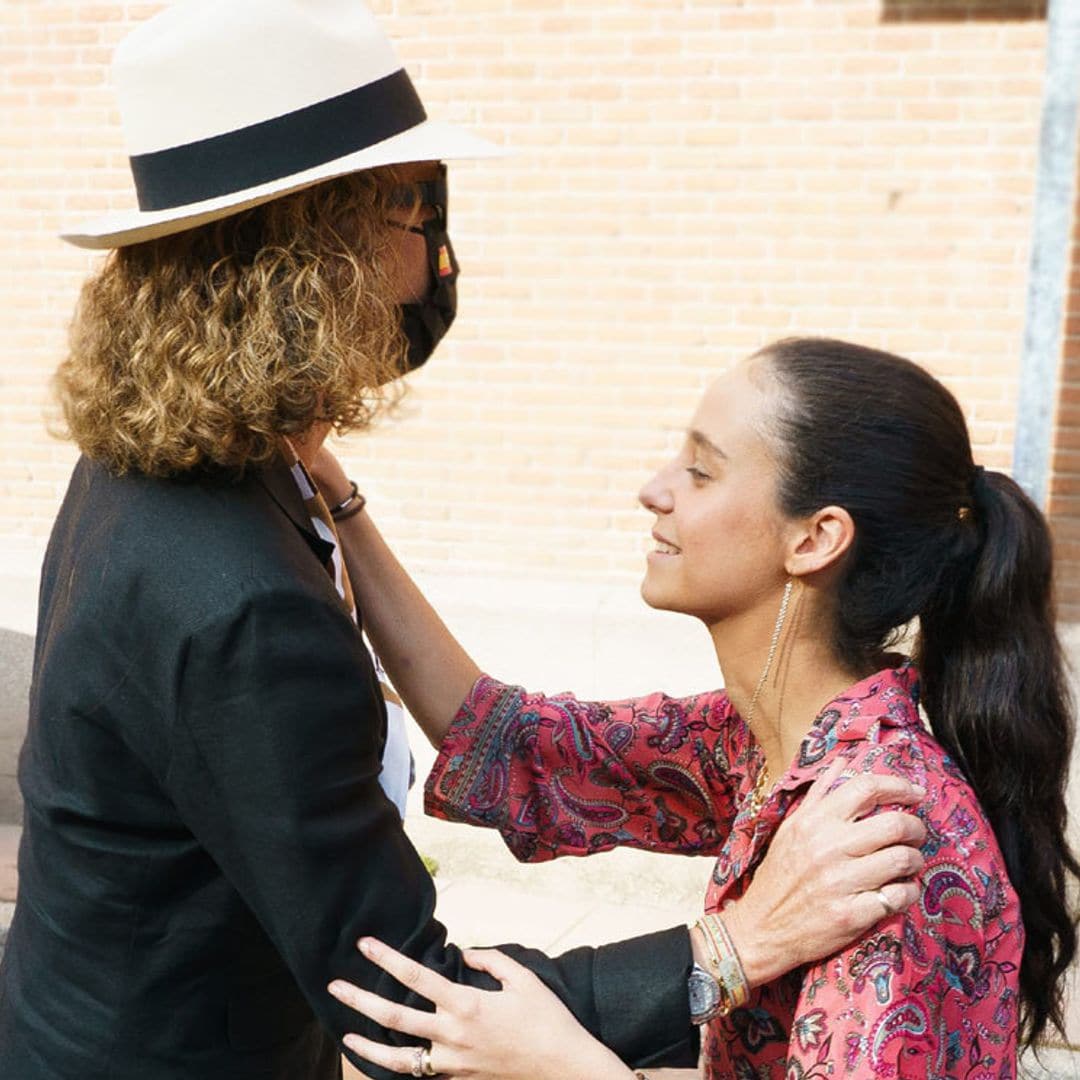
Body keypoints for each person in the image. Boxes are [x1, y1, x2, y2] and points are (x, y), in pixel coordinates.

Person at [0, 4, 930, 1079]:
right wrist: (735, 946)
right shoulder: (241, 598)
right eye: (415, 211)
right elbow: (402, 1002)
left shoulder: (169, 471)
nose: (434, 254)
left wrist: (341, 506)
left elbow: (521, 747)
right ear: (327, 258)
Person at [318, 338, 1079, 1078]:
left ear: (815, 539)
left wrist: (555, 1064)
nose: (654, 489)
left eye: (700, 470)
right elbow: (516, 747)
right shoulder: (767, 741)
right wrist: (333, 495)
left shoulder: (881, 844)